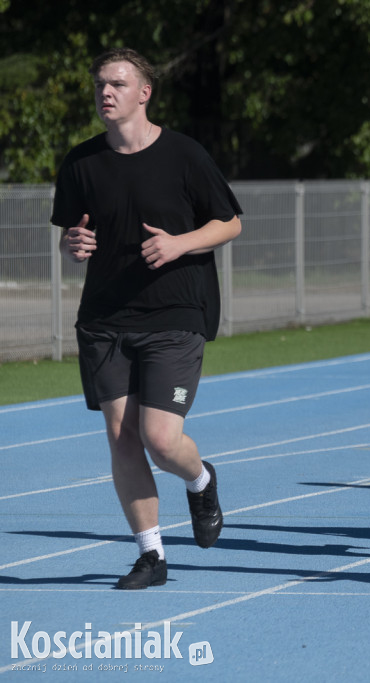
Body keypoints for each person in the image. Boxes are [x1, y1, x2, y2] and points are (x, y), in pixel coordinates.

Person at [51, 48, 242, 589]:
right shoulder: (81, 162)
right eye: (99, 85)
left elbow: (229, 224)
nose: (105, 93)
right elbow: (73, 237)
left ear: (144, 92)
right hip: (106, 318)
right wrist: (74, 244)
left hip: (175, 313)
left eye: (116, 83)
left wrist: (180, 244)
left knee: (160, 438)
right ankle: (151, 556)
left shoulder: (184, 155)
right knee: (121, 437)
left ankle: (201, 480)